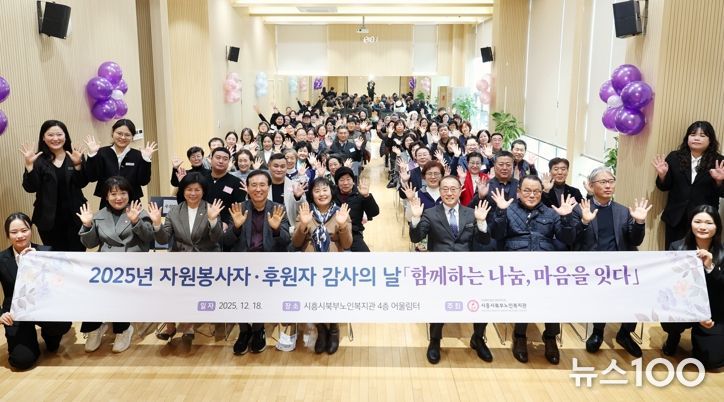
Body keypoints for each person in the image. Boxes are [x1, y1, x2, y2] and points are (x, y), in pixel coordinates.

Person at [490, 175, 579, 365]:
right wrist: (500, 212)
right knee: (524, 295)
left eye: (536, 191)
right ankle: (520, 336)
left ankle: (550, 337)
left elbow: (568, 238)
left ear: (542, 192)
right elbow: (496, 234)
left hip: (544, 267)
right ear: (519, 192)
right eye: (527, 191)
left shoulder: (551, 213)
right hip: (516, 266)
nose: (532, 195)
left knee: (553, 296)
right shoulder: (508, 209)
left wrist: (566, 218)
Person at [408, 175, 492, 365]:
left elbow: (484, 240)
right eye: (444, 189)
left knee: (483, 301)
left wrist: (481, 223)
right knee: (438, 305)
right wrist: (415, 218)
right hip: (441, 270)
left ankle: (478, 338)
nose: (449, 193)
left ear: (461, 190)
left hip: (467, 270)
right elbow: (416, 237)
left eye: (453, 189)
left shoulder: (471, 213)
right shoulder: (430, 213)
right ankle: (435, 340)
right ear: (439, 191)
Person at [575, 166, 651, 358]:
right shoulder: (581, 209)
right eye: (603, 182)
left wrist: (639, 223)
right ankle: (598, 332)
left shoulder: (623, 211)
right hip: (593, 266)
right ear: (591, 185)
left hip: (622, 265)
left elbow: (635, 241)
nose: (608, 186)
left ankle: (625, 333)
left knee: (637, 295)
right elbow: (573, 239)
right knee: (601, 298)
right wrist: (584, 222)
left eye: (611, 181)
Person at [77, 176, 154, 353]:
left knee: (119, 288)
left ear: (129, 194)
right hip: (106, 265)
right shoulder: (99, 216)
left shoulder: (139, 212)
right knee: (91, 287)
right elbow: (90, 244)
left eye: (123, 193)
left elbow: (149, 238)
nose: (118, 198)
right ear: (106, 196)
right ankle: (94, 328)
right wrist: (87, 225)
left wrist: (136, 222)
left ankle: (123, 329)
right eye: (113, 194)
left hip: (133, 266)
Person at [149, 173, 225, 343]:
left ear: (203, 191)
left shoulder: (211, 208)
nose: (193, 193)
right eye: (189, 189)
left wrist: (213, 221)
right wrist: (157, 224)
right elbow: (164, 239)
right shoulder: (175, 211)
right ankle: (170, 325)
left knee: (189, 287)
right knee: (166, 287)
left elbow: (216, 239)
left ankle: (187, 325)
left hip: (205, 261)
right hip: (180, 260)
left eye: (197, 190)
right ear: (183, 191)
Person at [223, 170, 290, 356]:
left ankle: (258, 329)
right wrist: (236, 228)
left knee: (261, 296)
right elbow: (226, 242)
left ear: (268, 188)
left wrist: (276, 230)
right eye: (254, 185)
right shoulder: (238, 208)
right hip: (242, 265)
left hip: (268, 265)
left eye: (262, 185)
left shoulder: (278, 208)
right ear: (247, 187)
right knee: (239, 296)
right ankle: (244, 331)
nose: (258, 189)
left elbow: (287, 241)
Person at [1, 212, 71, 370]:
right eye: (14, 232)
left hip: (43, 307)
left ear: (31, 230)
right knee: (21, 361)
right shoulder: (1, 259)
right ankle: (29, 341)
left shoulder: (46, 252)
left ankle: (48, 334)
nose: (20, 235)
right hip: (16, 313)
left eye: (24, 230)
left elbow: (59, 285)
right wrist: (1, 314)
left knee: (59, 331)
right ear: (7, 235)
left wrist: (40, 262)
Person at [292, 177, 353, 354]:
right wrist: (303, 225)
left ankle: (333, 329)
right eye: (317, 191)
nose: (321, 194)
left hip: (334, 265)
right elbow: (296, 243)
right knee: (313, 297)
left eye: (325, 190)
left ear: (331, 192)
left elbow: (347, 244)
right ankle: (321, 329)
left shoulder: (341, 212)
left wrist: (342, 226)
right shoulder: (306, 211)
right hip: (310, 265)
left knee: (333, 297)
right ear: (311, 194)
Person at [661, 205, 724, 370]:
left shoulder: (722, 253)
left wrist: (710, 267)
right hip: (684, 306)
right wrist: (693, 313)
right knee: (670, 319)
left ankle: (700, 340)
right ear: (690, 223)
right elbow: (670, 285)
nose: (702, 227)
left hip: (713, 310)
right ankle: (673, 336)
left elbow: (721, 291)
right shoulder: (677, 247)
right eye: (698, 221)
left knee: (713, 362)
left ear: (717, 226)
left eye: (709, 223)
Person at [652, 121, 724, 248]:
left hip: (704, 219)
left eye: (702, 135)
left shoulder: (719, 161)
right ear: (687, 138)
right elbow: (664, 187)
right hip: (676, 217)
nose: (696, 138)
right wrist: (662, 175)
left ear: (710, 140)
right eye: (693, 134)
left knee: (701, 254)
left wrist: (719, 181)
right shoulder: (674, 157)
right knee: (673, 254)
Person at [20, 120, 87, 251]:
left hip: (76, 217)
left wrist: (78, 165)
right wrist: (29, 166)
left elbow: (82, 183)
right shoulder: (37, 159)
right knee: (55, 257)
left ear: (65, 136)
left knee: (78, 254)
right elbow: (30, 188)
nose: (55, 138)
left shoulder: (74, 156)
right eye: (50, 135)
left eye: (59, 134)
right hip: (48, 219)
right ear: (43, 138)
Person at [84, 119, 158, 209]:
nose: (123, 137)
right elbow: (92, 177)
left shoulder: (138, 155)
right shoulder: (102, 152)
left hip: (132, 203)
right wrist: (92, 155)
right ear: (112, 133)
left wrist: (146, 159)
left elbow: (143, 181)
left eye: (127, 135)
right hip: (108, 202)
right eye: (119, 133)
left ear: (132, 137)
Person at [332, 167, 379, 252]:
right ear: (337, 183)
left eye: (348, 179)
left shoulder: (360, 193)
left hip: (354, 233)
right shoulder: (331, 195)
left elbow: (374, 212)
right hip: (333, 232)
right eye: (341, 180)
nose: (345, 183)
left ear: (353, 181)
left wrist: (366, 196)